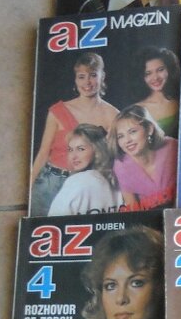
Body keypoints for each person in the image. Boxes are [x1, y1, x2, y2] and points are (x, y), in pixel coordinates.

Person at [30, 52, 120, 216]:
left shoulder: (112, 114)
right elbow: (43, 152)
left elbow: (114, 157)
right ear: (76, 79)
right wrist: (29, 186)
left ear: (102, 76)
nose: (87, 82)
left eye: (93, 75)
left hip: (86, 186)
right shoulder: (58, 110)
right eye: (81, 77)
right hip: (50, 183)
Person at [110, 105, 177, 210]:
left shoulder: (172, 147)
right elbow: (132, 210)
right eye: (120, 136)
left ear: (149, 129)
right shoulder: (121, 165)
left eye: (132, 131)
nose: (127, 140)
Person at [48, 123, 124, 216]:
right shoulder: (115, 178)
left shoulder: (76, 181)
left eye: (81, 149)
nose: (73, 156)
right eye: (70, 150)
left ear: (97, 150)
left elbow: (54, 220)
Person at [134, 46, 181, 138]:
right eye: (148, 73)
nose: (155, 77)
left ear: (169, 69)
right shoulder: (136, 110)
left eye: (160, 70)